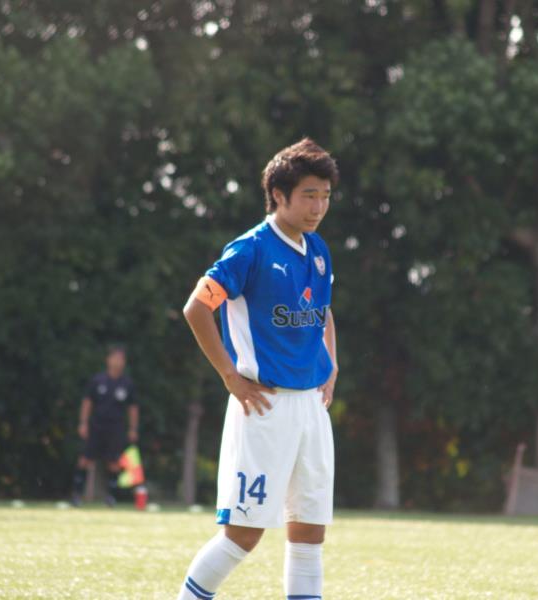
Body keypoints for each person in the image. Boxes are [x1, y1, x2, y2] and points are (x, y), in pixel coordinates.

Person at [179, 138, 339, 600]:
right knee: (243, 535)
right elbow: (196, 307)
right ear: (278, 195)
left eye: (325, 196)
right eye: (309, 195)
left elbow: (323, 311)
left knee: (309, 533)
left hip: (311, 408)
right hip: (264, 407)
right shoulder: (249, 249)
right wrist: (231, 377)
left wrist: (331, 365)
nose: (318, 207)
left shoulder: (318, 249)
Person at [71, 344, 138, 507]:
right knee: (85, 460)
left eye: (120, 359)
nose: (117, 362)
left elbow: (133, 408)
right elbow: (87, 402)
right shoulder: (98, 380)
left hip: (116, 427)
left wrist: (133, 429)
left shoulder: (127, 383)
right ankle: (76, 495)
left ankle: (111, 498)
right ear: (108, 360)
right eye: (115, 358)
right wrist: (83, 423)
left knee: (114, 463)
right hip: (96, 426)